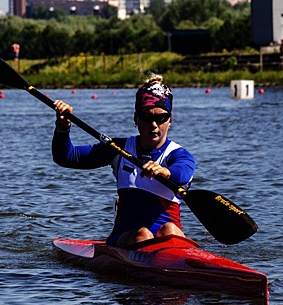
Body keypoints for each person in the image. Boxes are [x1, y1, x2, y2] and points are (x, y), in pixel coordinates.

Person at [52, 74, 196, 247]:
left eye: (161, 118)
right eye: (146, 117)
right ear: (136, 119)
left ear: (170, 120)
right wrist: (63, 127)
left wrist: (164, 171)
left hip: (169, 239)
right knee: (143, 235)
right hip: (126, 238)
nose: (154, 125)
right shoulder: (119, 150)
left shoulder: (179, 156)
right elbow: (67, 157)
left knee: (170, 230)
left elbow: (182, 174)